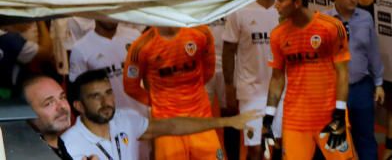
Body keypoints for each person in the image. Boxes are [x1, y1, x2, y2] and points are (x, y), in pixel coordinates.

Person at [62, 69, 256, 160]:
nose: (106, 102)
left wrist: (228, 121)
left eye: (108, 93)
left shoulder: (126, 119)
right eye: (95, 97)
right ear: (79, 105)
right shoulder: (68, 144)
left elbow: (172, 126)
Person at [263, 0, 353, 160]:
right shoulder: (277, 35)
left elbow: (342, 72)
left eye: (281, 0)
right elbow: (277, 78)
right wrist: (268, 118)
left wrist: (340, 112)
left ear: (297, 3)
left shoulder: (332, 27)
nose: (276, 5)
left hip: (329, 116)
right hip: (295, 120)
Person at [123, 24, 222, 160]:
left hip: (200, 118)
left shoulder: (201, 32)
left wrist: (190, 92)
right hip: (166, 125)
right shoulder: (141, 46)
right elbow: (130, 86)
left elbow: (209, 70)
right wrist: (157, 100)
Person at [324, 0, 385, 160]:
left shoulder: (366, 18)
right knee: (333, 140)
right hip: (332, 91)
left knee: (365, 137)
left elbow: (373, 52)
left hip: (361, 87)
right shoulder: (323, 20)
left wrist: (379, 83)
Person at [222, 0, 280, 160]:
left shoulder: (283, 8)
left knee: (275, 145)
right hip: (250, 91)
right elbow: (228, 50)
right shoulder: (240, 9)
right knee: (254, 148)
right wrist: (229, 86)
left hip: (279, 90)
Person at [67, 19, 144, 116]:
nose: (110, 16)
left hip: (142, 114)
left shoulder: (135, 36)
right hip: (108, 120)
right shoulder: (80, 49)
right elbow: (77, 93)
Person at [22, 74, 74, 158]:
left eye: (62, 97)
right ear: (27, 113)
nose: (62, 106)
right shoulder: (26, 154)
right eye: (48, 103)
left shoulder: (59, 145)